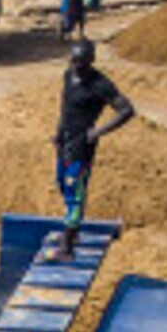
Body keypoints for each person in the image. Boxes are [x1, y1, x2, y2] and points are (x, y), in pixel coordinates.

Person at [53, 38, 133, 257]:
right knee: (61, 183)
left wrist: (98, 131)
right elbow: (65, 107)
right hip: (65, 143)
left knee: (74, 193)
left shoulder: (100, 85)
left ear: (91, 61)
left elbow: (126, 110)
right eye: (73, 60)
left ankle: (67, 246)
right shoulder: (68, 76)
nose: (76, 65)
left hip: (82, 148)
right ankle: (73, 230)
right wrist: (59, 134)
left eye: (81, 62)